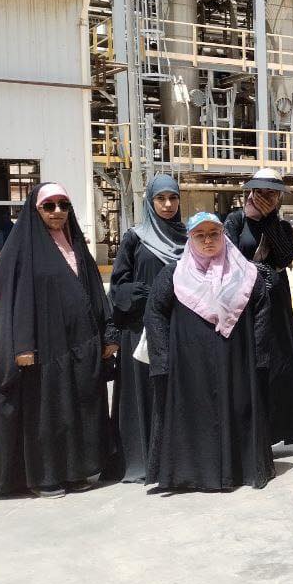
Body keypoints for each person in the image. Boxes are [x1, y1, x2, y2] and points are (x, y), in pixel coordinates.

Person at [0, 183, 119, 498]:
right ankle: (43, 477)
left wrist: (108, 334)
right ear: (35, 210)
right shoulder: (19, 252)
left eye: (63, 205)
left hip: (80, 346)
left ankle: (75, 472)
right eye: (49, 206)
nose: (57, 212)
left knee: (76, 408)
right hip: (43, 350)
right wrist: (22, 345)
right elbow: (12, 303)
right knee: (46, 413)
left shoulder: (76, 246)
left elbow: (96, 294)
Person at [144, 213, 274, 491]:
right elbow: (155, 313)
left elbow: (262, 309)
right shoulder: (174, 274)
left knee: (237, 409)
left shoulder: (246, 273)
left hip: (236, 360)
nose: (207, 241)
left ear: (223, 236)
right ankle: (195, 474)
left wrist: (259, 355)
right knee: (196, 415)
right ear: (189, 239)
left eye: (214, 234)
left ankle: (236, 471)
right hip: (189, 365)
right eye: (199, 235)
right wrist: (163, 359)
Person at [224, 168, 293, 449]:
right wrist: (257, 270)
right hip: (244, 305)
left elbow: (285, 257)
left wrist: (270, 220)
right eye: (261, 192)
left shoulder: (281, 226)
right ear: (251, 192)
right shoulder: (235, 221)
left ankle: (279, 430)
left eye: (272, 194)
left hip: (276, 304)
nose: (266, 198)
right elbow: (229, 258)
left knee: (280, 364)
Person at [109, 174, 186, 482]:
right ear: (150, 202)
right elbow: (118, 286)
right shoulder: (135, 237)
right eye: (160, 199)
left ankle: (176, 458)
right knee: (144, 392)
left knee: (176, 392)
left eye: (173, 198)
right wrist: (146, 294)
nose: (167, 205)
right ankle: (141, 461)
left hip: (178, 327)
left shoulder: (190, 236)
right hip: (140, 327)